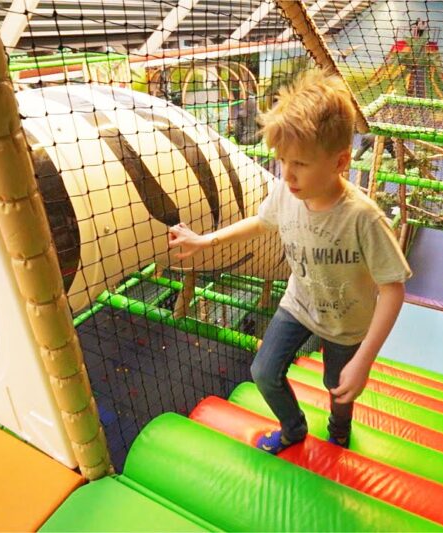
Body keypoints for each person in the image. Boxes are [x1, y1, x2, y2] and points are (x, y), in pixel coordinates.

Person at [168, 68, 411, 453]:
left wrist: (364, 360)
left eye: (300, 163)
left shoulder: (363, 217)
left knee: (340, 387)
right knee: (263, 372)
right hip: (298, 305)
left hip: (346, 325)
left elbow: (393, 290)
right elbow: (261, 223)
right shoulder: (286, 193)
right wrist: (204, 240)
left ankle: (339, 428)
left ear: (340, 162)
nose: (288, 174)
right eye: (283, 160)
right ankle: (294, 428)